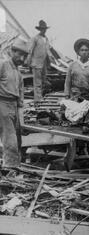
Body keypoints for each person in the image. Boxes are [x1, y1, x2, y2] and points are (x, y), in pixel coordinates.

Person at [0, 38, 28, 173]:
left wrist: (20, 112)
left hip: (14, 106)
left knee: (17, 137)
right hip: (2, 103)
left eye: (25, 56)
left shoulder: (18, 73)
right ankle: (10, 168)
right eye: (20, 54)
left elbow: (20, 94)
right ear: (12, 51)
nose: (22, 58)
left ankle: (16, 165)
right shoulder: (3, 65)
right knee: (9, 137)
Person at [27, 20, 52, 104]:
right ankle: (38, 99)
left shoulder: (46, 39)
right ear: (39, 29)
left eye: (44, 29)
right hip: (36, 63)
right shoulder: (35, 38)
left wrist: (50, 60)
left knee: (44, 80)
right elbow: (30, 50)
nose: (43, 30)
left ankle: (41, 96)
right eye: (42, 29)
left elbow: (48, 50)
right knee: (37, 82)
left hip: (44, 63)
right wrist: (29, 62)